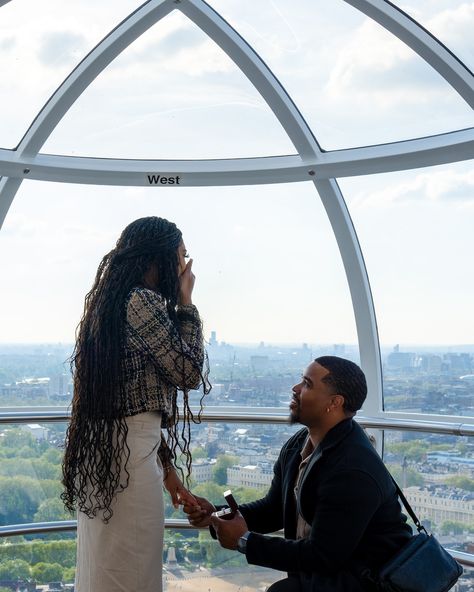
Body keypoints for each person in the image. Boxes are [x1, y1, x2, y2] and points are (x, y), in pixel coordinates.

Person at [62, 216, 211, 592]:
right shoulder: (142, 301)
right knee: (132, 568)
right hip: (128, 459)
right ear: (157, 258)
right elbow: (187, 371)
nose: (184, 267)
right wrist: (187, 304)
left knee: (109, 563)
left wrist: (167, 470)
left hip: (111, 455)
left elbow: (127, 405)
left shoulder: (110, 304)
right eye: (181, 256)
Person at [183, 356, 412, 592]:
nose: (295, 388)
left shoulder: (352, 468)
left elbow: (323, 556)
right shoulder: (299, 445)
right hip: (333, 573)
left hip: (370, 581)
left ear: (334, 402)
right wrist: (218, 515)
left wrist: (245, 541)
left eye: (307, 384)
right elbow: (275, 509)